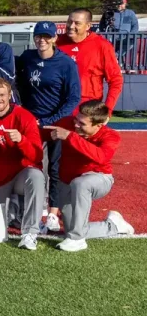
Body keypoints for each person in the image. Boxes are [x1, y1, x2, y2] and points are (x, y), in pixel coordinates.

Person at [16, 21, 80, 233]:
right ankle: (34, 210)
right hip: (31, 123)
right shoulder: (27, 58)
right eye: (38, 36)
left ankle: (53, 212)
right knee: (31, 165)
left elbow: (73, 98)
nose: (41, 40)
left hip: (56, 123)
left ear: (54, 38)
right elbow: (18, 85)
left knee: (55, 167)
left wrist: (51, 119)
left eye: (46, 36)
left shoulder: (66, 63)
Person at [43, 101, 134, 251]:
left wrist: (70, 137)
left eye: (82, 123)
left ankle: (77, 240)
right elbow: (43, 133)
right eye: (76, 120)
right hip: (67, 181)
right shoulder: (68, 124)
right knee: (71, 228)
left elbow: (101, 157)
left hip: (99, 178)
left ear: (98, 125)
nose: (76, 125)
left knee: (81, 183)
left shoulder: (111, 136)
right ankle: (113, 226)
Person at [0, 78, 44, 250]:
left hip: (20, 175)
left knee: (36, 176)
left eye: (3, 95)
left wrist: (21, 140)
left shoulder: (24, 116)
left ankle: (30, 233)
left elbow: (37, 156)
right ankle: (11, 208)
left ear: (10, 95)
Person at [56, 8, 123, 112]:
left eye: (77, 23)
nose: (71, 26)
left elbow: (116, 80)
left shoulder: (102, 46)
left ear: (88, 26)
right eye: (69, 22)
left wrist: (107, 110)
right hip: (58, 104)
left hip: (87, 108)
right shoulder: (57, 43)